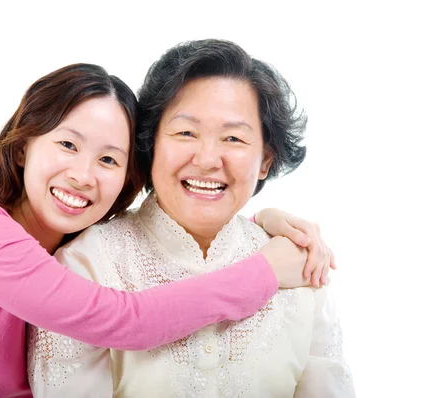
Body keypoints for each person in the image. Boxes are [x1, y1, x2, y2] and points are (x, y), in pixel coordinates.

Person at [0, 63, 331, 398]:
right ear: (23, 146)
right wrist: (264, 272)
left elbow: (189, 227)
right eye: (67, 144)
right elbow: (125, 320)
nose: (84, 175)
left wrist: (256, 224)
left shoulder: (67, 243)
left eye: (108, 159)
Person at [28, 40, 354, 397]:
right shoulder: (86, 264)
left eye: (233, 138)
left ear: (265, 160)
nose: (207, 158)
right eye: (186, 133)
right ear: (151, 144)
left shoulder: (301, 266)